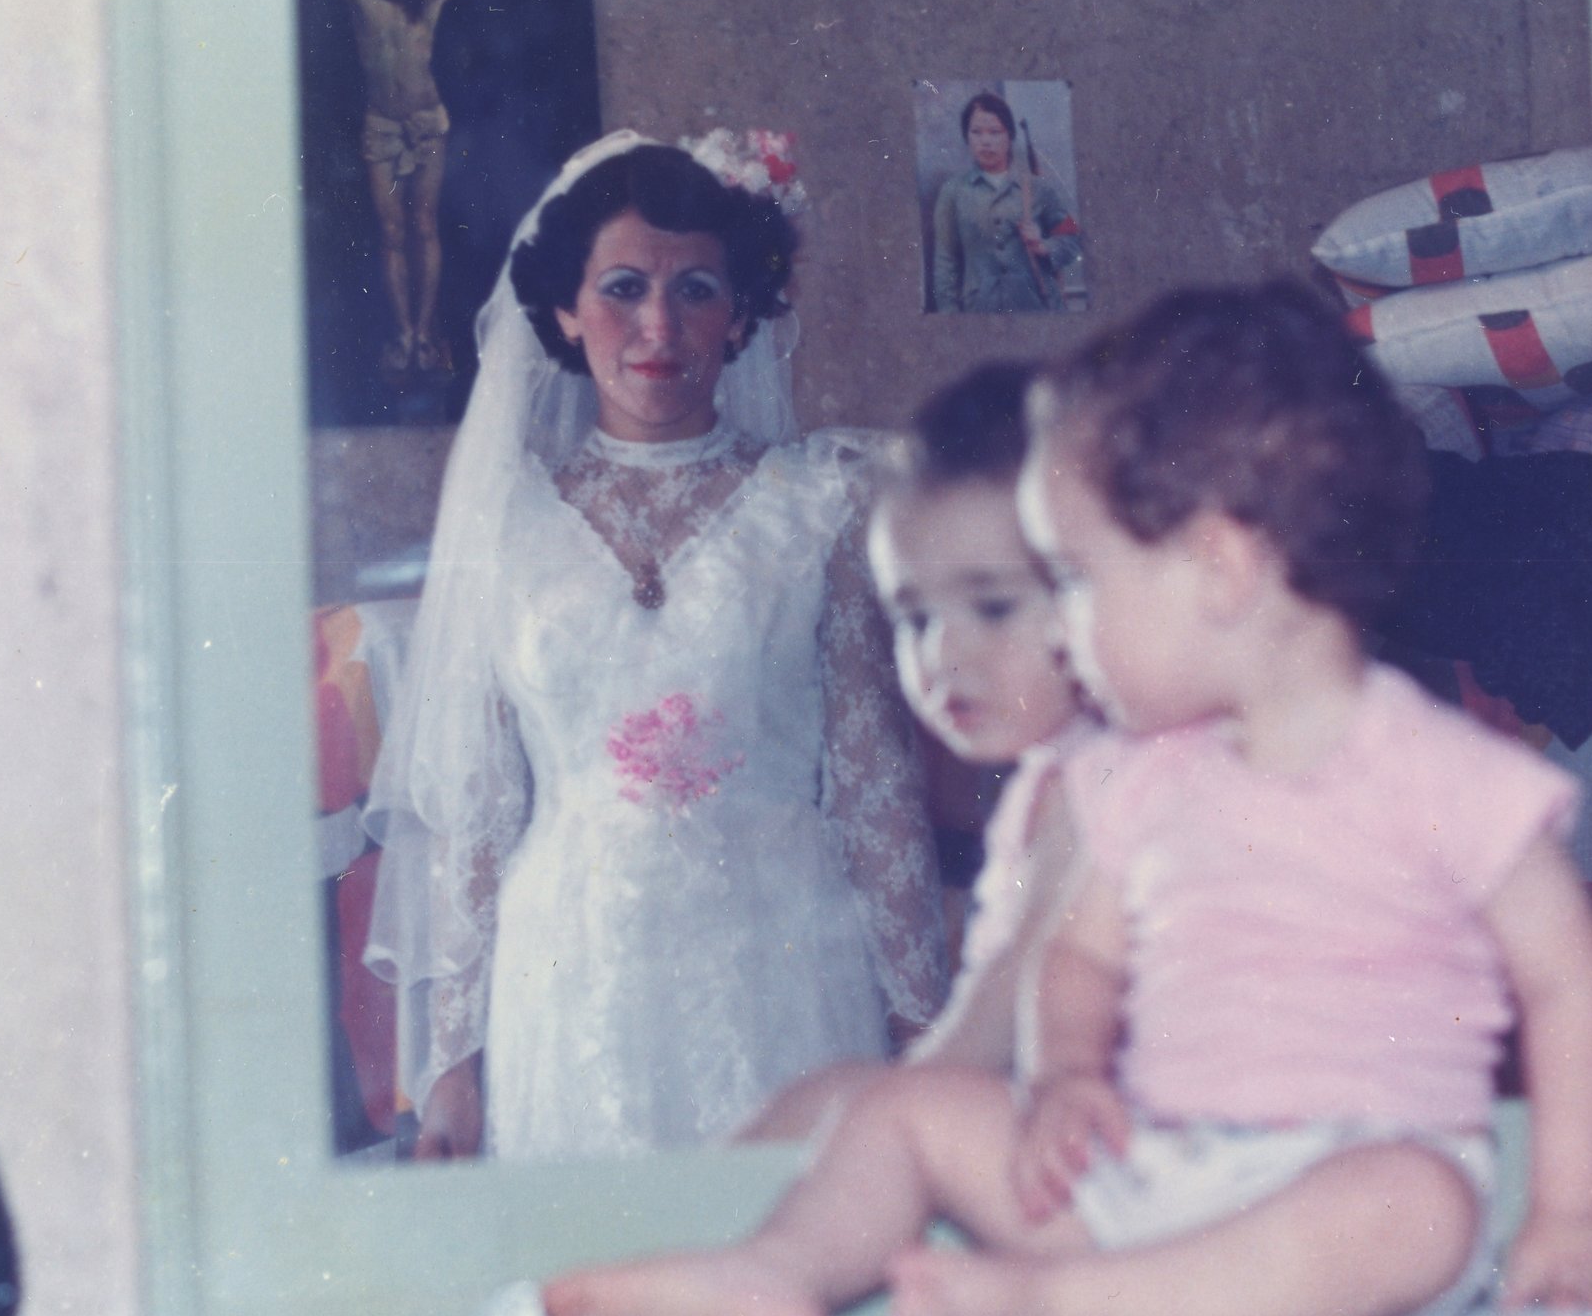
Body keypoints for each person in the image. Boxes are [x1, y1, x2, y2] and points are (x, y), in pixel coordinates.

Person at [540, 282, 1592, 1316]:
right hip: (1157, 1176)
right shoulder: (1140, 778)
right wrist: (1069, 1073)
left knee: (1416, 1205)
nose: (1065, 630)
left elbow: (1568, 983)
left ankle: (1060, 1308)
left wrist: (1568, 1214)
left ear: (1219, 567)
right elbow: (1079, 957)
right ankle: (776, 1277)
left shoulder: (1439, 772)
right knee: (916, 1110)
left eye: (1076, 580)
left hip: (1344, 1182)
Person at [362, 132, 947, 1163]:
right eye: (622, 287)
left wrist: (920, 1027)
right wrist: (452, 1060)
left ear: (742, 316)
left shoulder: (822, 502)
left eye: (697, 290)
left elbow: (872, 784)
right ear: (562, 309)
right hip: (568, 974)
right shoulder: (507, 524)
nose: (657, 327)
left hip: (783, 962)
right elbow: (480, 804)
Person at [738, 361, 1103, 1143]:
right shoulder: (1050, 776)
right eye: (913, 615)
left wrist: (879, 1117)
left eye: (993, 604)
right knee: (801, 1116)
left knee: (821, 1130)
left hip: (1156, 1167)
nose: (943, 653)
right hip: (1061, 1132)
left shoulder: (1101, 787)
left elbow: (994, 1025)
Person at [295, 0, 558, 379]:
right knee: (392, 232)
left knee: (425, 226)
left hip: (427, 122)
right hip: (382, 125)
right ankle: (404, 334)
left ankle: (427, 329)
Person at [929, 90, 1082, 314]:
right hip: (980, 313)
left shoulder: (1040, 189)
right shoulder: (953, 192)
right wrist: (950, 318)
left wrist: (1044, 246)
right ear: (966, 137)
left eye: (995, 131)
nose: (986, 141)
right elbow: (945, 263)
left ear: (1009, 136)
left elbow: (1073, 238)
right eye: (976, 132)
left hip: (1037, 309)